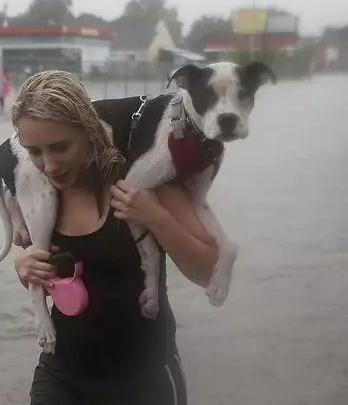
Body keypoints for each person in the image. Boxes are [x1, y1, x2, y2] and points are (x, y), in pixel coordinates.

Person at [11, 71, 219, 404]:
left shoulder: (145, 180)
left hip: (146, 380)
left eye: (60, 147)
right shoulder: (38, 192)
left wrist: (155, 217)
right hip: (63, 375)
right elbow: (53, 275)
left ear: (90, 132)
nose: (48, 165)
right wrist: (26, 267)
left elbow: (209, 271)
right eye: (34, 151)